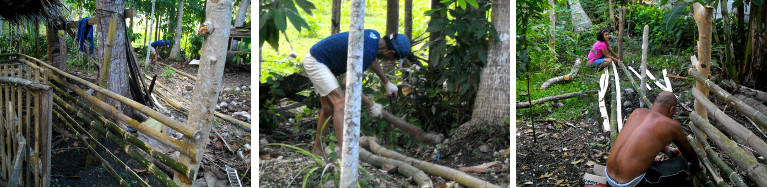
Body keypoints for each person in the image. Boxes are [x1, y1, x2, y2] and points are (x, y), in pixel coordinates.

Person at [303, 29, 409, 156]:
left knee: (328, 108)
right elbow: (348, 83)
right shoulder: (369, 50)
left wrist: (386, 83)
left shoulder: (373, 37)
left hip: (321, 60)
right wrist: (370, 105)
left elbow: (372, 60)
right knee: (340, 103)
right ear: (390, 52)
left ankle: (317, 149)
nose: (390, 61)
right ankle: (346, 156)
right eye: (393, 59)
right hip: (317, 62)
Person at [605, 91, 703, 187]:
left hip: (609, 179)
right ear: (671, 109)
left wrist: (667, 150)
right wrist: (696, 166)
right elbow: (688, 153)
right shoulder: (671, 125)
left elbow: (640, 140)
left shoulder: (637, 112)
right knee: (682, 164)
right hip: (630, 184)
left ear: (654, 104)